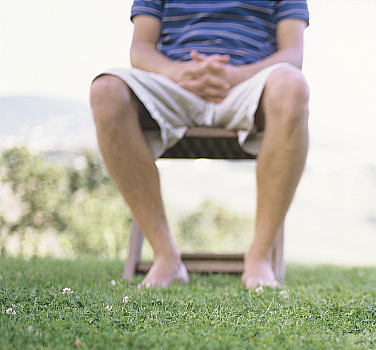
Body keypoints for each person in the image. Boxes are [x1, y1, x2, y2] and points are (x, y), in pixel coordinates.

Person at [90, 1, 310, 289]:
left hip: (252, 83)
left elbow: (292, 54)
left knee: (293, 85)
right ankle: (165, 256)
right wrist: (177, 72)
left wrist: (236, 75)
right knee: (106, 90)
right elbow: (140, 49)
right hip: (174, 83)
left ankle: (259, 257)